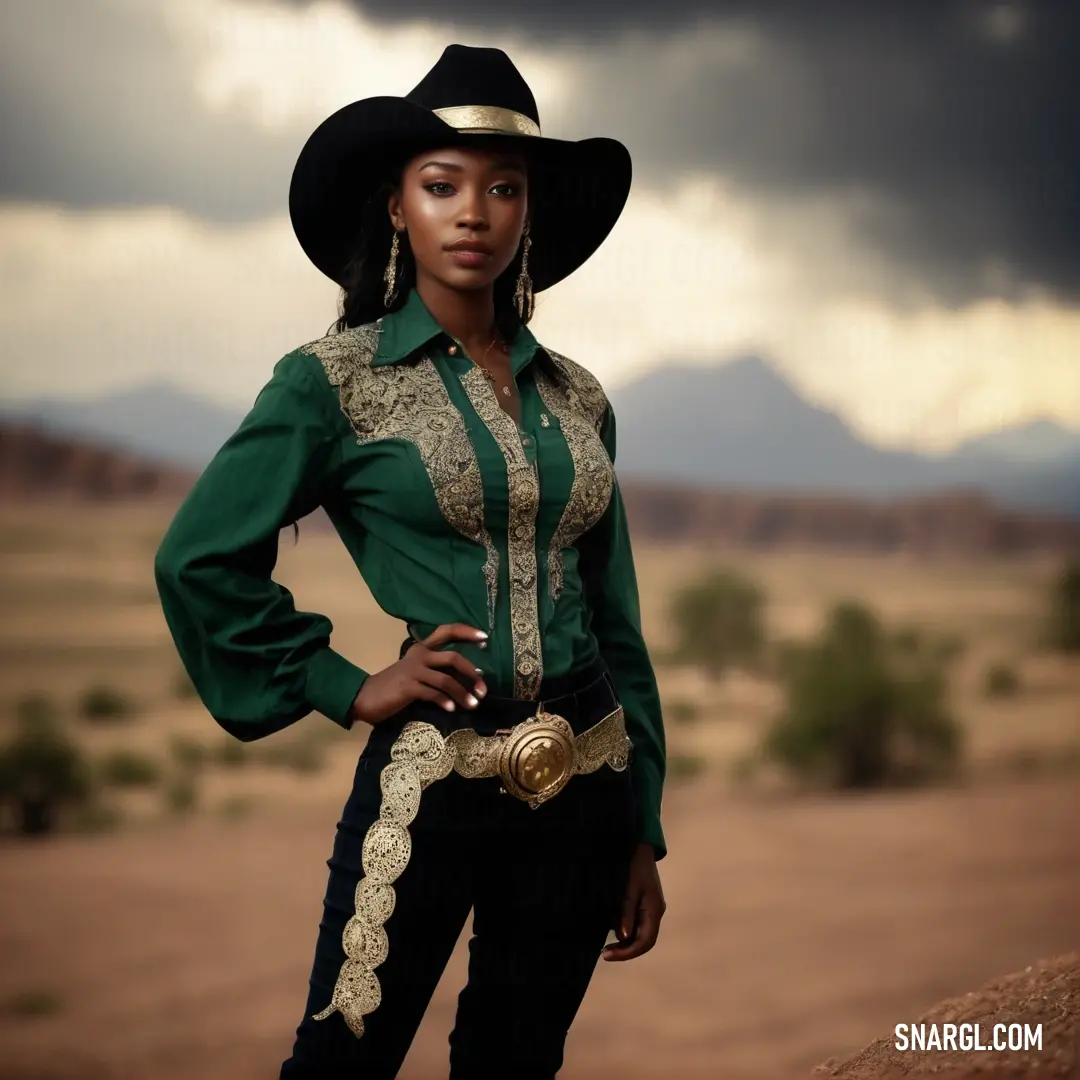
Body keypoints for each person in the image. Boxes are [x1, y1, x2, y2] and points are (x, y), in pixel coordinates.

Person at [153, 43, 667, 1080]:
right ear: (398, 208)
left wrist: (643, 826)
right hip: (429, 781)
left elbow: (618, 624)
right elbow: (198, 558)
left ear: (529, 213)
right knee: (340, 1064)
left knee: (515, 1065)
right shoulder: (329, 386)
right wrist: (349, 684)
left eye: (503, 189)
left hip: (588, 781)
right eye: (442, 187)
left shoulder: (580, 397)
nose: (473, 213)